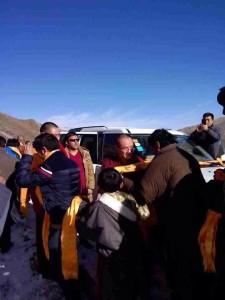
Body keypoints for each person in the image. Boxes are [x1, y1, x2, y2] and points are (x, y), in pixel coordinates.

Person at [134, 129, 209, 300]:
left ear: (157, 145)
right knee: (192, 257)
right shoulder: (185, 154)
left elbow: (146, 194)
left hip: (176, 220)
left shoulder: (162, 159)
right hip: (195, 215)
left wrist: (127, 182)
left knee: (179, 262)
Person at [16, 133, 81, 299]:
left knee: (56, 255)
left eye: (38, 152)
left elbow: (22, 180)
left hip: (57, 219)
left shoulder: (49, 166)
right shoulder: (69, 161)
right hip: (68, 214)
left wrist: (27, 157)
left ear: (43, 150)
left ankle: (66, 288)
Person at [77, 168, 149, 300]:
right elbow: (145, 214)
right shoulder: (130, 200)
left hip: (110, 257)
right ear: (121, 184)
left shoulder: (98, 206)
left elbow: (83, 226)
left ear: (99, 185)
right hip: (132, 250)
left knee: (112, 290)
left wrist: (86, 203)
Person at [63, 132, 95, 201]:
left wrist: (90, 187)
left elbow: (90, 170)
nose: (76, 142)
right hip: (70, 189)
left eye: (77, 140)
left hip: (84, 188)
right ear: (66, 142)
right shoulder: (63, 154)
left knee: (86, 209)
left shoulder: (84, 153)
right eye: (72, 140)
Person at [0, 136, 19, 253]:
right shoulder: (14, 160)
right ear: (4, 145)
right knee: (5, 219)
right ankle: (5, 244)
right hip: (7, 193)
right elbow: (17, 180)